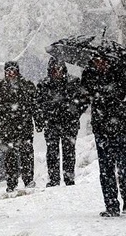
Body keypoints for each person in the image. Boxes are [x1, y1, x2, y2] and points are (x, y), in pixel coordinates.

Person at [81, 55, 126, 217]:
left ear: (109, 60)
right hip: (102, 129)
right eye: (96, 61)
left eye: (102, 60)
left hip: (123, 128)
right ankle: (111, 205)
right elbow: (82, 99)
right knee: (106, 169)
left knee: (124, 166)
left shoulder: (125, 73)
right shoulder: (90, 75)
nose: (100, 64)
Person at [0, 60, 38, 192]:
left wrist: (39, 121)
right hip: (6, 127)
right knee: (10, 157)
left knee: (27, 154)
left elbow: (36, 106)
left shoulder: (27, 86)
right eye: (8, 71)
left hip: (24, 126)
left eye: (13, 70)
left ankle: (28, 179)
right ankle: (11, 182)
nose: (11, 73)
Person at [36, 57, 88, 187]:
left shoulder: (74, 82)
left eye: (59, 69)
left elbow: (84, 100)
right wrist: (43, 117)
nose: (57, 72)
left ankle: (69, 178)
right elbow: (37, 104)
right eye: (54, 69)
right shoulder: (43, 85)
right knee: (52, 152)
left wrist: (75, 113)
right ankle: (54, 179)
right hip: (51, 123)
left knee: (69, 151)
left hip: (69, 123)